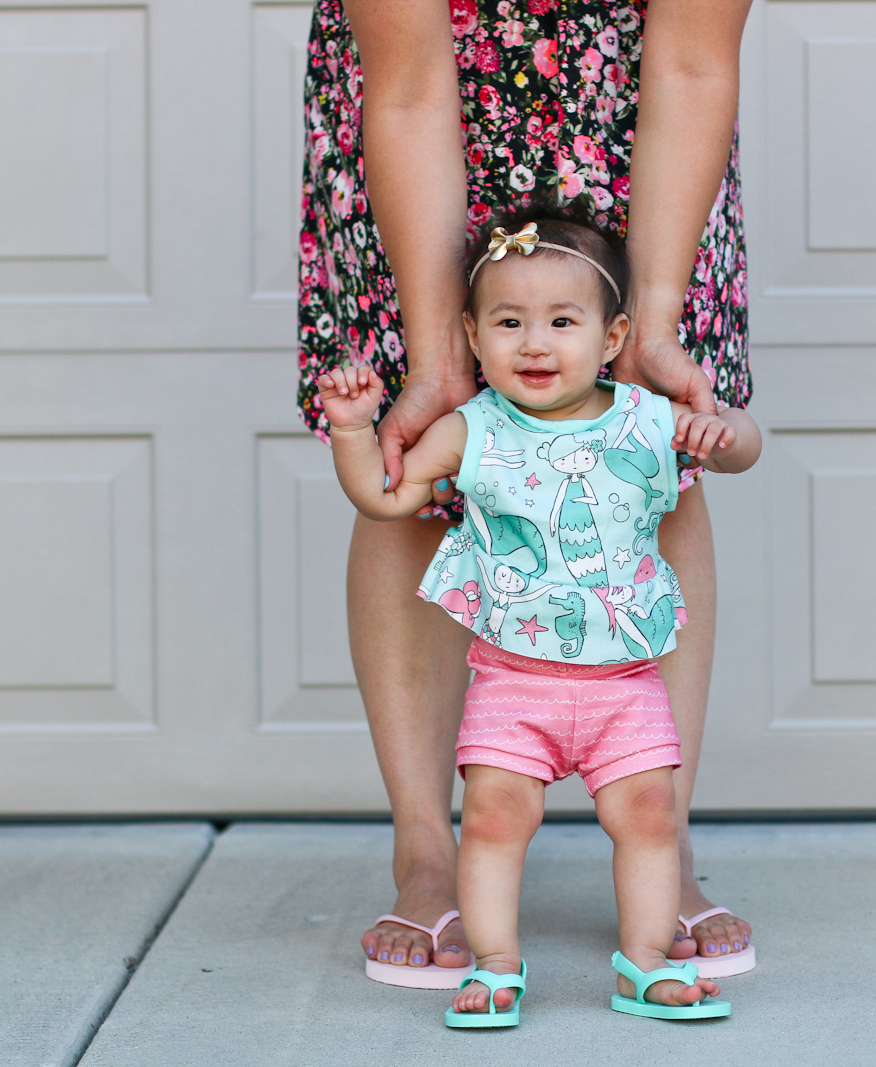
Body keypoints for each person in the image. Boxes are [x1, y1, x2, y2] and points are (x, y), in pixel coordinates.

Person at [298, 0, 758, 980]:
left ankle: (658, 833)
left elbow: (690, 62)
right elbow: (411, 83)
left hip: (634, 127)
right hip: (421, 123)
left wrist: (654, 320)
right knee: (420, 451)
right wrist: (437, 355)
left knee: (649, 458)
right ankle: (427, 851)